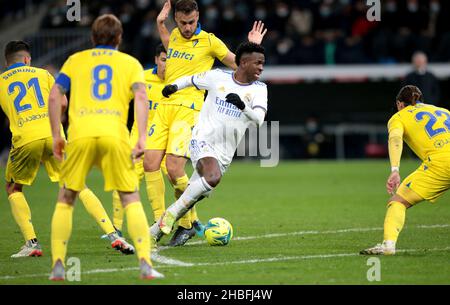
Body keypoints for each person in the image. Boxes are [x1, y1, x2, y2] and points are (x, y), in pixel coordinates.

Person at [47, 14, 163, 280]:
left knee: (66, 198)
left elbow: (55, 95)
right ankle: (145, 263)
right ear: (119, 38)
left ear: (92, 38)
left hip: (80, 135)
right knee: (130, 197)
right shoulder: (130, 63)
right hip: (115, 135)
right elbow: (142, 96)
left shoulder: (76, 60)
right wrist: (142, 137)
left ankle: (58, 266)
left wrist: (56, 134)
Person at [145, 0, 267, 246]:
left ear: (198, 16)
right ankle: (167, 221)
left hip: (190, 109)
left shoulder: (210, 42)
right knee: (150, 164)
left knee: (175, 169)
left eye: (191, 22)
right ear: (176, 21)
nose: (187, 28)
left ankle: (180, 222)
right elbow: (180, 69)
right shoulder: (176, 38)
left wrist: (253, 46)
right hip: (165, 106)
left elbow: (239, 64)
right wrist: (160, 23)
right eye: (182, 23)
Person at [0, 41, 133, 258]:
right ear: (26, 59)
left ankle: (31, 243)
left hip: (25, 138)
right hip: (54, 135)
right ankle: (113, 234)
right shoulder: (44, 74)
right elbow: (62, 101)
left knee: (13, 189)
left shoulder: (1, 81)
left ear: (8, 62)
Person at [361, 85, 450, 255]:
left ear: (399, 104)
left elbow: (395, 139)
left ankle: (388, 245)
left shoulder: (399, 117)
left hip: (441, 163)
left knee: (398, 202)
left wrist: (395, 169)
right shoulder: (443, 111)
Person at [110, 44, 169, 234]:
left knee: (178, 181)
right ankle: (116, 227)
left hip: (165, 142)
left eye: (170, 60)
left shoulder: (178, 82)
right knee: (124, 179)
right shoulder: (142, 78)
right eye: (163, 59)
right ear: (156, 60)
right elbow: (120, 99)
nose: (166, 65)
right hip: (138, 140)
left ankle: (188, 222)